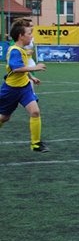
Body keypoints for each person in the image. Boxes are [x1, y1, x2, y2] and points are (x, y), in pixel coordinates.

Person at [0, 18, 48, 152]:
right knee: (4, 117)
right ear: (21, 36)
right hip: (11, 90)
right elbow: (16, 69)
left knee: (35, 111)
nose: (31, 36)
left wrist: (31, 78)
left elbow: (22, 68)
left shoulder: (22, 49)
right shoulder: (15, 50)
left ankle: (36, 144)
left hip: (24, 88)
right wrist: (35, 68)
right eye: (29, 33)